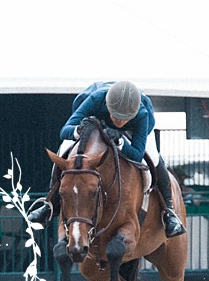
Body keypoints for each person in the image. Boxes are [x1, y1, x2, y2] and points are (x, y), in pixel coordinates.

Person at [28, 81, 186, 238]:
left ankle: (169, 211)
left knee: (154, 157)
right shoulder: (95, 100)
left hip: (132, 131)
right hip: (96, 119)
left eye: (124, 119)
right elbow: (64, 130)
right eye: (116, 116)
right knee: (64, 150)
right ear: (108, 107)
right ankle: (49, 205)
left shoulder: (142, 115)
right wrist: (77, 130)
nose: (119, 122)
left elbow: (137, 154)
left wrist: (120, 142)